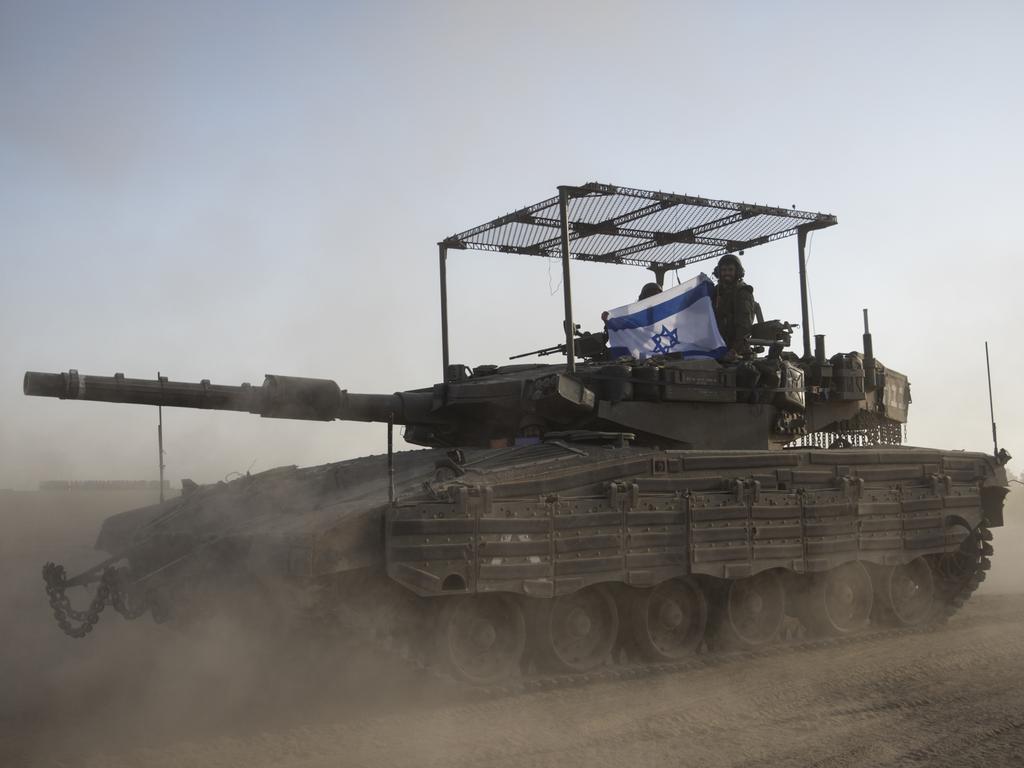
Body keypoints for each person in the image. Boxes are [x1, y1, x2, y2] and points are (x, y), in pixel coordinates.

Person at [712, 253, 756, 360]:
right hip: (716, 347)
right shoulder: (715, 291)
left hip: (736, 351)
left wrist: (735, 350)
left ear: (737, 272)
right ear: (719, 272)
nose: (727, 273)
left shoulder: (743, 292)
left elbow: (744, 326)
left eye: (730, 270)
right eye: (724, 270)